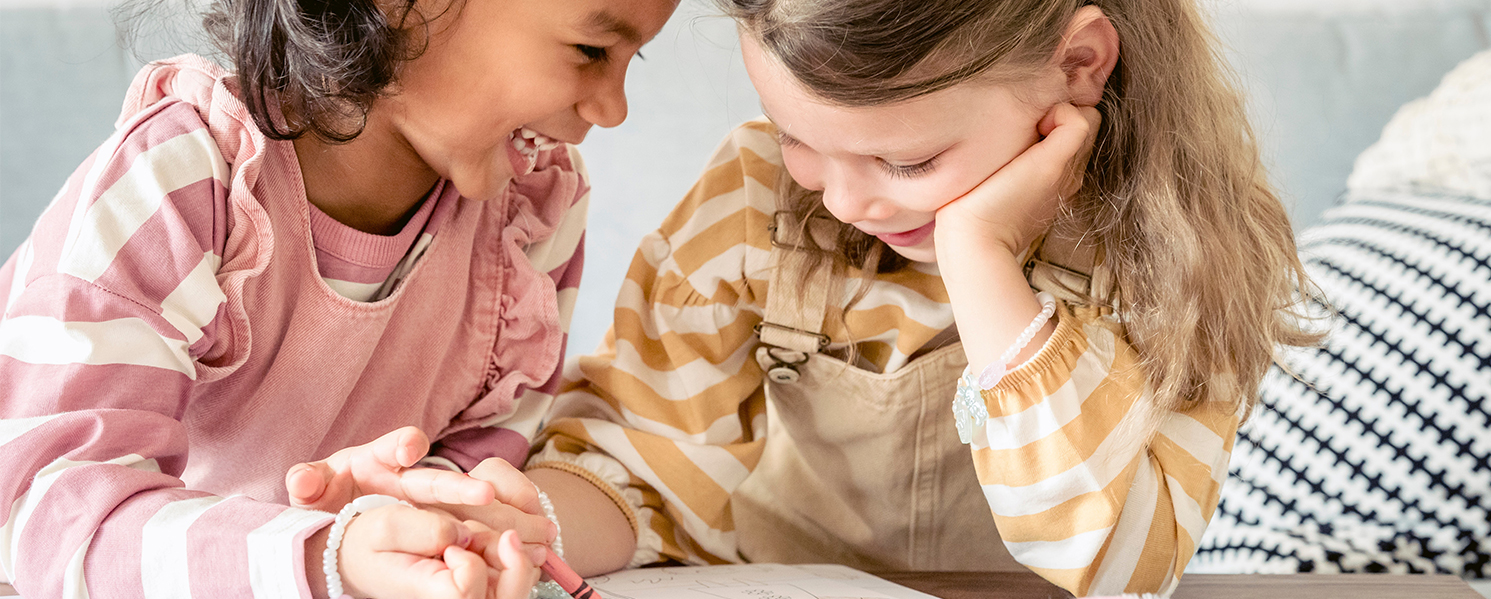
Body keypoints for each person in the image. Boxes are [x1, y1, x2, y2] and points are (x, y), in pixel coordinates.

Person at [291, 0, 1319, 596]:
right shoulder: (758, 208)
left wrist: (978, 256)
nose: (844, 194)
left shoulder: (1179, 252)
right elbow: (646, 469)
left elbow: (1117, 557)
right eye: (799, 137)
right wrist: (510, 519)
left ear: (1080, 66)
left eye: (906, 159)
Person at [0, 0, 676, 594]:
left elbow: (472, 470)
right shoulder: (179, 182)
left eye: (631, 59)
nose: (612, 109)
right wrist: (328, 553)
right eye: (591, 49)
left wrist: (440, 535)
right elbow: (51, 517)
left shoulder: (531, 212)